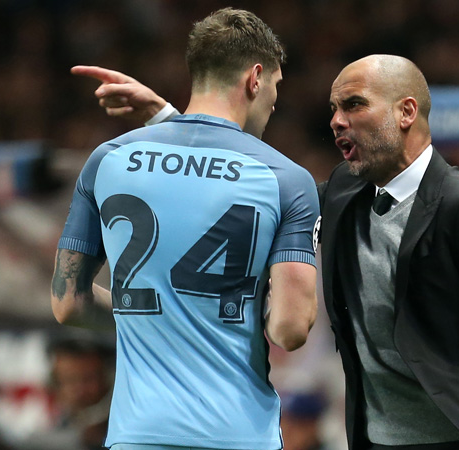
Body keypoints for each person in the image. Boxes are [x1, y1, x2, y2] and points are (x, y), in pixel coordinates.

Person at [75, 55, 459, 450]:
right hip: (368, 440)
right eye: (333, 108)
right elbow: (256, 191)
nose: (336, 120)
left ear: (406, 112)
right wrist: (172, 122)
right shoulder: (345, 190)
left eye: (354, 105)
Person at [51, 7, 320, 450]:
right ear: (255, 78)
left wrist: (161, 319)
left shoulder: (108, 159)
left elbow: (68, 303)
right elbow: (289, 330)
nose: (274, 100)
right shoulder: (286, 180)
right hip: (239, 435)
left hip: (137, 435)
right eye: (275, 84)